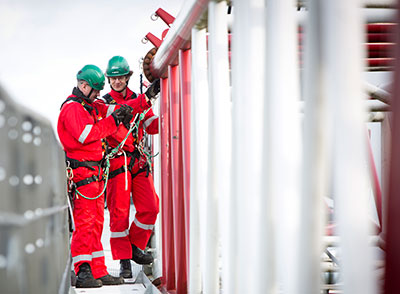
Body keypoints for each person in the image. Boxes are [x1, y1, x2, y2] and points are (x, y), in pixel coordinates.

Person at [57, 64, 132, 288]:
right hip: (83, 174)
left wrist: (141, 100)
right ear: (83, 85)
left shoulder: (88, 106)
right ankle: (83, 272)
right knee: (85, 223)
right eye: (95, 90)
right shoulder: (72, 109)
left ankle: (97, 269)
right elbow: (86, 134)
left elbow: (111, 108)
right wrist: (114, 121)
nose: (98, 94)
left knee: (97, 222)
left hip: (94, 173)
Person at [100, 56, 160, 278]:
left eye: (120, 77)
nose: (117, 81)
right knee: (119, 214)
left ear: (127, 77)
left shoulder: (138, 99)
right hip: (118, 162)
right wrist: (147, 98)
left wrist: (169, 116)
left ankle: (135, 246)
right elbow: (123, 110)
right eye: (113, 78)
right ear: (109, 80)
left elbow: (150, 126)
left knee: (151, 207)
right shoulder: (103, 103)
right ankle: (124, 260)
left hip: (138, 160)